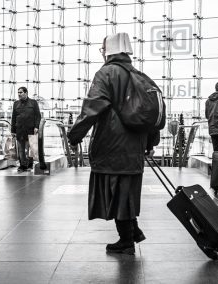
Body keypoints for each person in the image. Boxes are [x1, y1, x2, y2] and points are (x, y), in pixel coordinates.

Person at [67, 33, 159, 255]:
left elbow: (91, 109)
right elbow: (151, 113)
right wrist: (150, 142)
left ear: (107, 51)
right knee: (126, 193)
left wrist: (74, 135)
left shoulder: (106, 73)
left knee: (116, 193)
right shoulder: (140, 76)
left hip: (112, 145)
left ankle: (126, 240)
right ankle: (132, 233)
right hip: (134, 146)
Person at [11, 86, 41, 172]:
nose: (19, 94)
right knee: (21, 149)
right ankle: (22, 165)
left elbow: (38, 115)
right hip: (19, 130)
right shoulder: (16, 104)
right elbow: (13, 117)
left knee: (30, 149)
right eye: (18, 93)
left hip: (30, 129)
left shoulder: (33, 102)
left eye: (21, 92)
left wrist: (36, 126)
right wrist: (13, 130)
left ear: (26, 93)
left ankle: (30, 164)